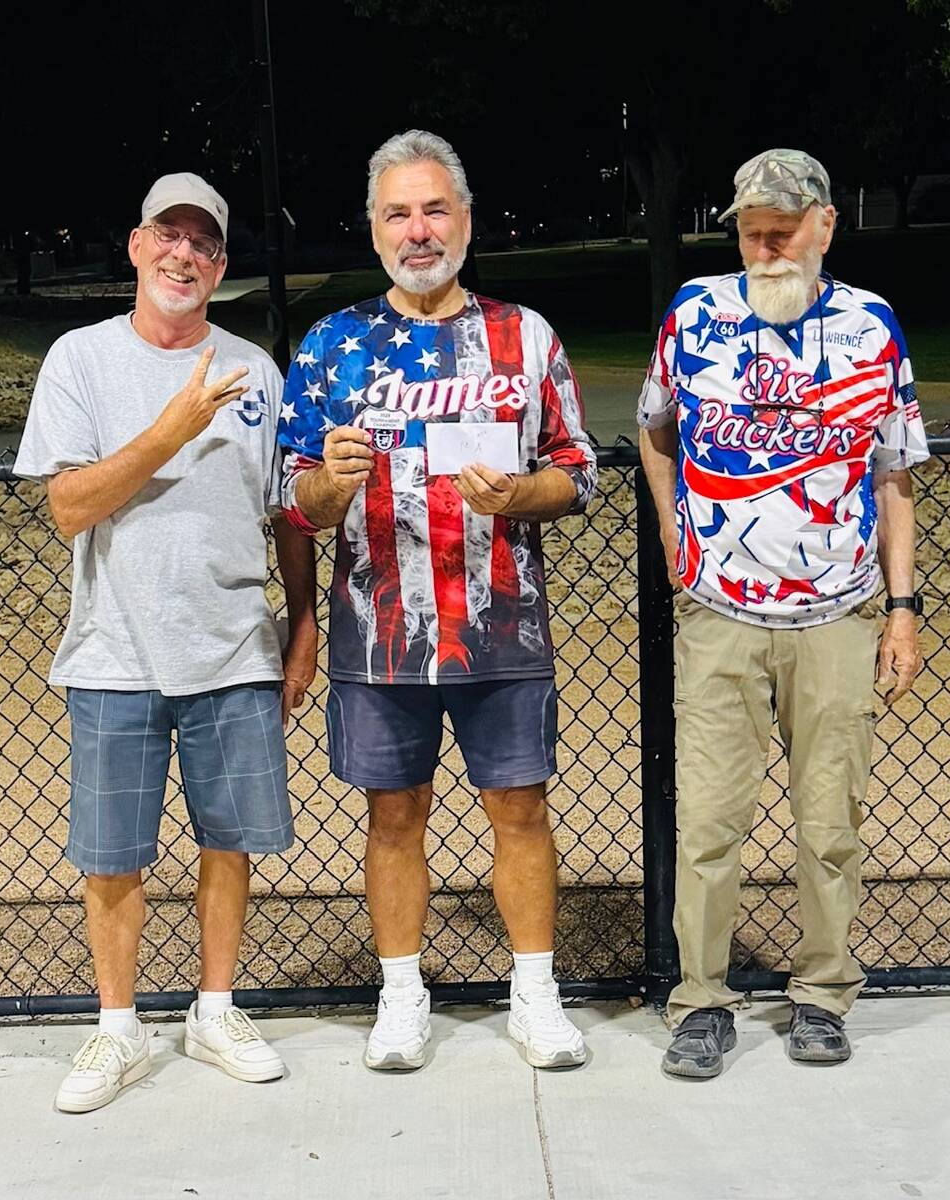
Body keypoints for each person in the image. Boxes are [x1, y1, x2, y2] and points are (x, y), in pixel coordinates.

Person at [278, 130, 597, 1071]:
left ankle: (533, 996)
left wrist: (519, 494)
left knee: (520, 811)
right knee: (392, 817)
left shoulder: (524, 334)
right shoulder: (333, 343)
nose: (418, 231)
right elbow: (293, 500)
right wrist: (328, 485)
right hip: (378, 631)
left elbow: (576, 474)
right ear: (374, 230)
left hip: (502, 621)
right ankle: (401, 994)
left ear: (464, 218)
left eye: (433, 209)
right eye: (397, 214)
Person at [14, 172, 318, 1112]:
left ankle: (214, 1008)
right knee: (113, 854)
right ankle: (117, 1030)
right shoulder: (80, 358)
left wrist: (301, 626)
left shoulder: (256, 369)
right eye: (168, 236)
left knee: (230, 842)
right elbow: (67, 505)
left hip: (233, 644)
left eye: (204, 243)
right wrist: (172, 427)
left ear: (220, 263)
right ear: (137, 245)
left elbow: (288, 516)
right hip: (114, 648)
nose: (184, 254)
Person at [637, 148, 928, 1078]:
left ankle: (823, 991)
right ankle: (700, 999)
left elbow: (892, 476)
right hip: (719, 613)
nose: (762, 246)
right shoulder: (694, 314)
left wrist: (902, 608)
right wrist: (670, 531)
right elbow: (652, 429)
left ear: (823, 225)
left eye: (780, 229)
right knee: (710, 820)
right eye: (749, 230)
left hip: (838, 616)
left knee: (827, 823)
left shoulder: (869, 326)